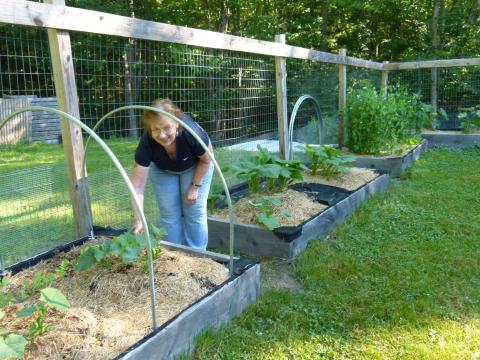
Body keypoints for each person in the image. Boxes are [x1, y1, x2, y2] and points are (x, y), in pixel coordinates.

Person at [130, 98, 214, 251]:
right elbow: (137, 186)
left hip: (196, 166)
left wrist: (195, 187)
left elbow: (207, 160)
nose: (162, 135)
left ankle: (198, 255)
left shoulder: (192, 133)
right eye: (156, 129)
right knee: (169, 215)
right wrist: (139, 220)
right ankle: (175, 255)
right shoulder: (147, 143)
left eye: (166, 128)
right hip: (163, 170)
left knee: (194, 212)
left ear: (177, 123)